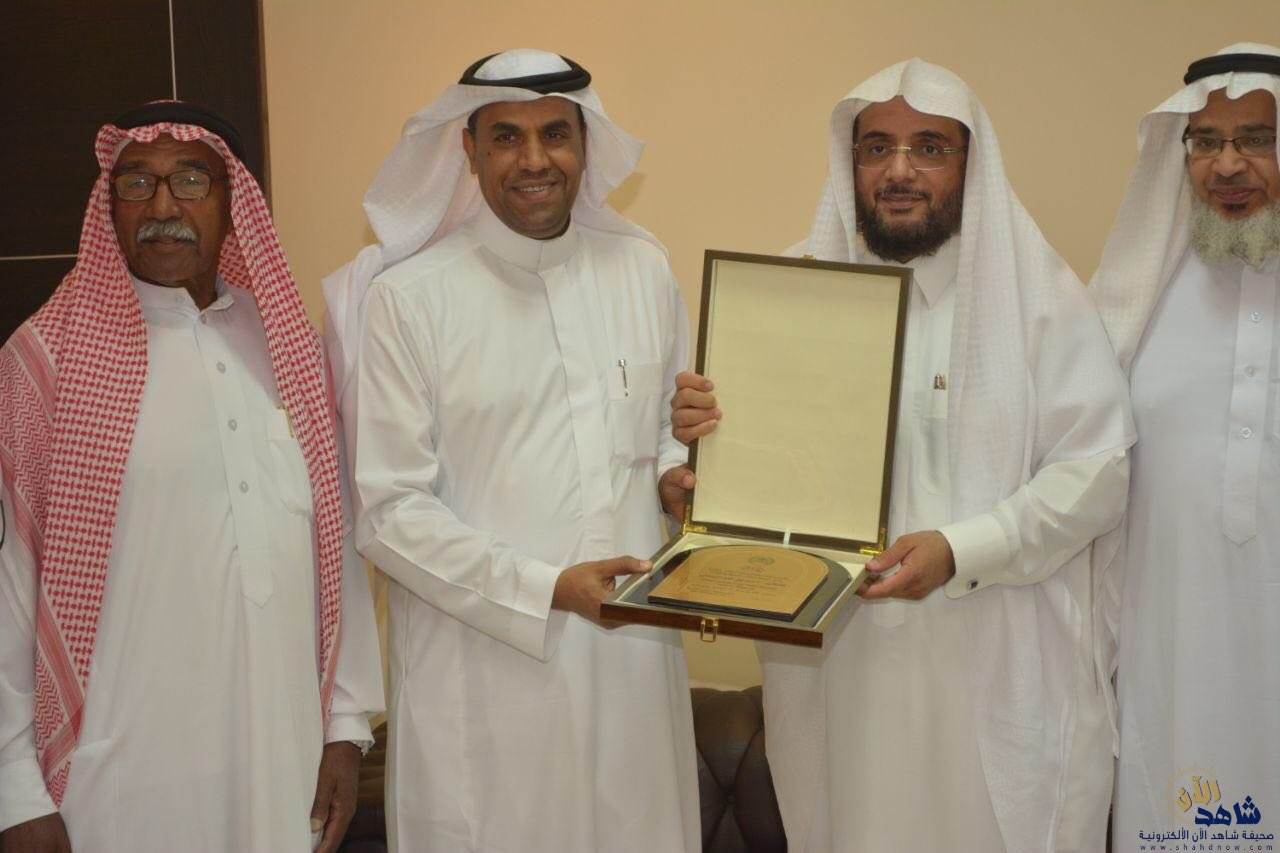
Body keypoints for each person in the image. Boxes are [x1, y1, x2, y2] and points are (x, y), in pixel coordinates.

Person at [671, 59, 1134, 852]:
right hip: (846, 679)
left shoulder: (1042, 299)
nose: (899, 170)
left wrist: (961, 548)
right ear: (849, 163)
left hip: (999, 675)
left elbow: (1097, 474)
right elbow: (748, 475)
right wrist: (699, 453)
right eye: (876, 147)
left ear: (970, 164)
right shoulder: (790, 291)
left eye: (929, 147)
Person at [323, 50, 699, 852]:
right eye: (506, 137)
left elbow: (666, 438)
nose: (534, 160)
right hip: (485, 688)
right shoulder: (409, 299)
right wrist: (547, 588)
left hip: (632, 679)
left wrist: (681, 478)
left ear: (586, 143)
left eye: (555, 134)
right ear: (468, 148)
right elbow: (388, 513)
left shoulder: (644, 270)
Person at [0, 102, 383, 853]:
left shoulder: (289, 349)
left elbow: (332, 547)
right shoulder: (44, 363)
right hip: (120, 777)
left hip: (281, 753)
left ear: (232, 200)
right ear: (110, 204)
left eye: (190, 179)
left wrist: (343, 723)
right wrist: (14, 789)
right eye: (137, 183)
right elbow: (11, 585)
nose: (162, 208)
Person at [1091, 43, 1280, 849]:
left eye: (1257, 138)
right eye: (1205, 141)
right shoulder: (1134, 304)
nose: (1227, 165)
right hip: (1166, 656)